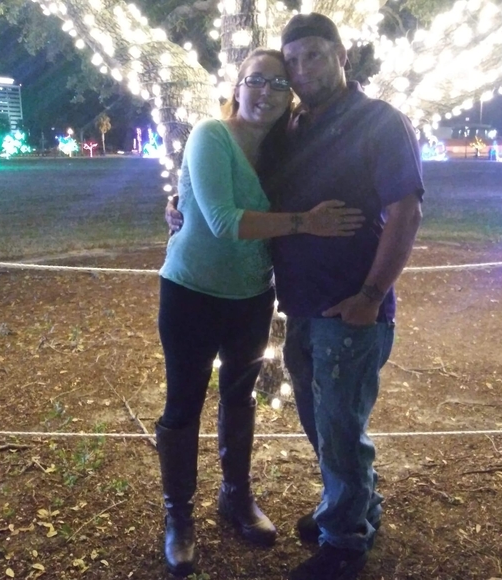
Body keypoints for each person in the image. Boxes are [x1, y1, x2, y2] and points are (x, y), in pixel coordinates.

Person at [166, 14, 424, 580]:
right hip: (299, 305)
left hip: (351, 307)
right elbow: (232, 197)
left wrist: (370, 295)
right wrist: (181, 203)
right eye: (292, 62)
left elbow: (406, 211)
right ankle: (354, 506)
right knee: (321, 421)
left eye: (314, 56)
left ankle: (344, 543)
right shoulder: (293, 128)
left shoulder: (381, 122)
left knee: (338, 425)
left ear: (342, 55)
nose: (302, 71)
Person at [155, 47, 364, 578]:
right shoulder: (211, 135)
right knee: (182, 404)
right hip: (191, 291)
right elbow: (223, 221)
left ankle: (236, 495)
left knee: (239, 398)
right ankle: (179, 515)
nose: (266, 92)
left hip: (251, 295)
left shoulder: (281, 150)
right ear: (237, 85)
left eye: (278, 84)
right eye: (256, 80)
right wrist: (305, 222)